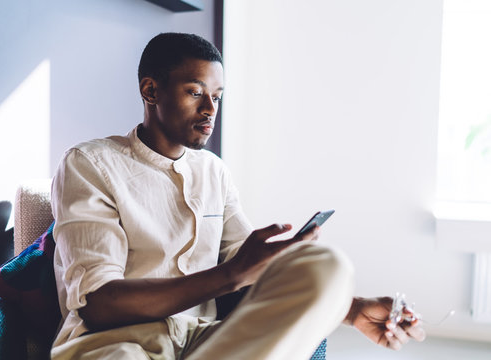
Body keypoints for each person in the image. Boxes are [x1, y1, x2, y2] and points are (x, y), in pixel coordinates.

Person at [50, 32, 425, 360]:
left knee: (327, 264)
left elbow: (251, 272)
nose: (210, 109)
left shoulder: (214, 172)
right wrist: (230, 274)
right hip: (116, 345)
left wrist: (352, 309)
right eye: (195, 92)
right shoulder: (90, 164)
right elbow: (98, 304)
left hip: (205, 343)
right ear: (151, 91)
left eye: (217, 96)